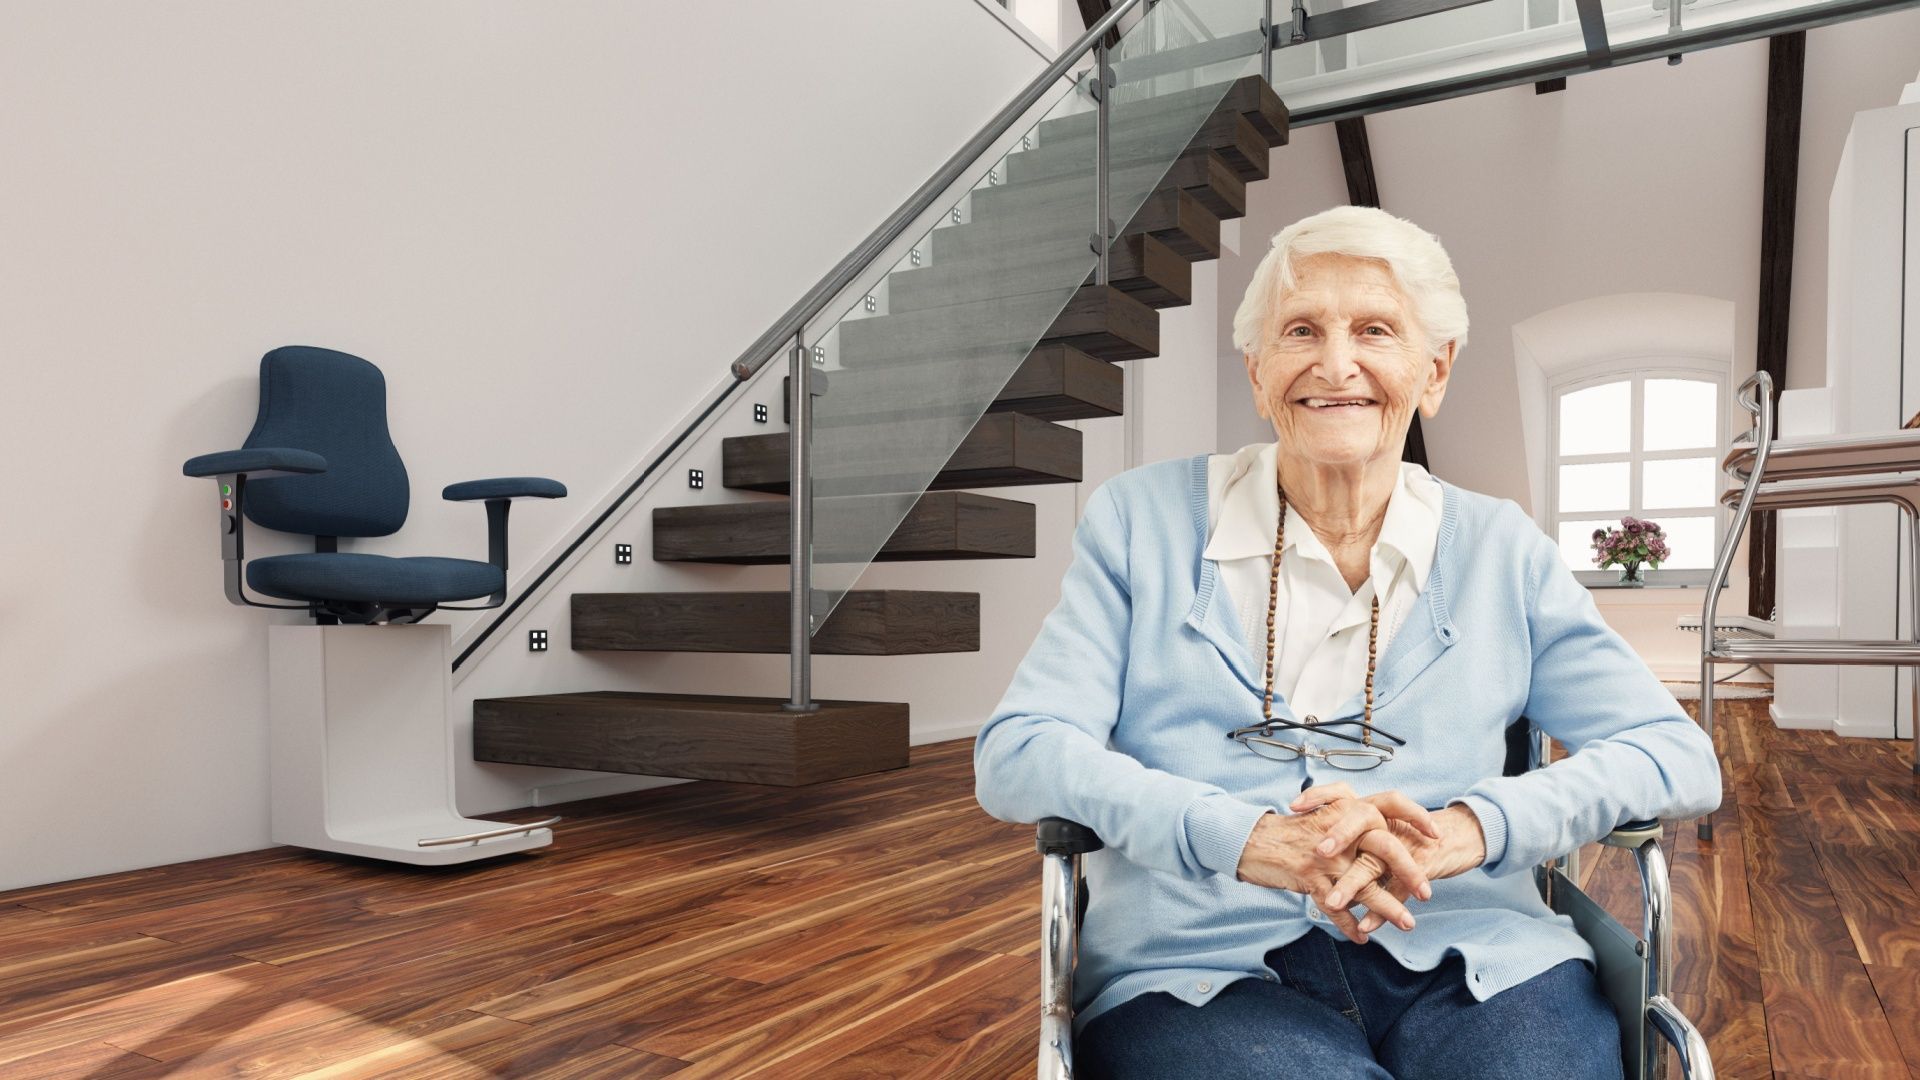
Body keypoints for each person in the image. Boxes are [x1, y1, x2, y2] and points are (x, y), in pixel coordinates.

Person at [972, 204, 1722, 1079]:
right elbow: (1020, 750)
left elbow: (1677, 753)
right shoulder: (1140, 523)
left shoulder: (1501, 549)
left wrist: (1469, 827)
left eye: (1375, 329)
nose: (1336, 364)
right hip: (1197, 966)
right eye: (1301, 331)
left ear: (1434, 370)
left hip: (1474, 949)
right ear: (1258, 374)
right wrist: (1236, 834)